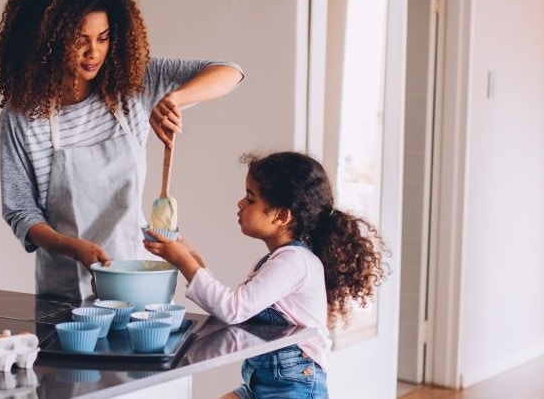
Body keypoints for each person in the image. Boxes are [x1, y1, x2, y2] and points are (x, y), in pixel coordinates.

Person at [0, 0, 244, 301]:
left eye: (103, 38)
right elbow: (21, 212)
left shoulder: (133, 85)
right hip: (66, 286)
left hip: (137, 277)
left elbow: (230, 72)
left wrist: (174, 100)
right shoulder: (22, 117)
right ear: (45, 41)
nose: (93, 52)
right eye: (79, 40)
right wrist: (73, 247)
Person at [144, 151, 391, 399]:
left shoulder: (294, 262)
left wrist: (183, 261)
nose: (240, 203)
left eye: (251, 199)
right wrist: (192, 256)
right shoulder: (278, 260)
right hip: (261, 383)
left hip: (293, 386)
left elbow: (232, 309)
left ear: (281, 216)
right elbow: (237, 306)